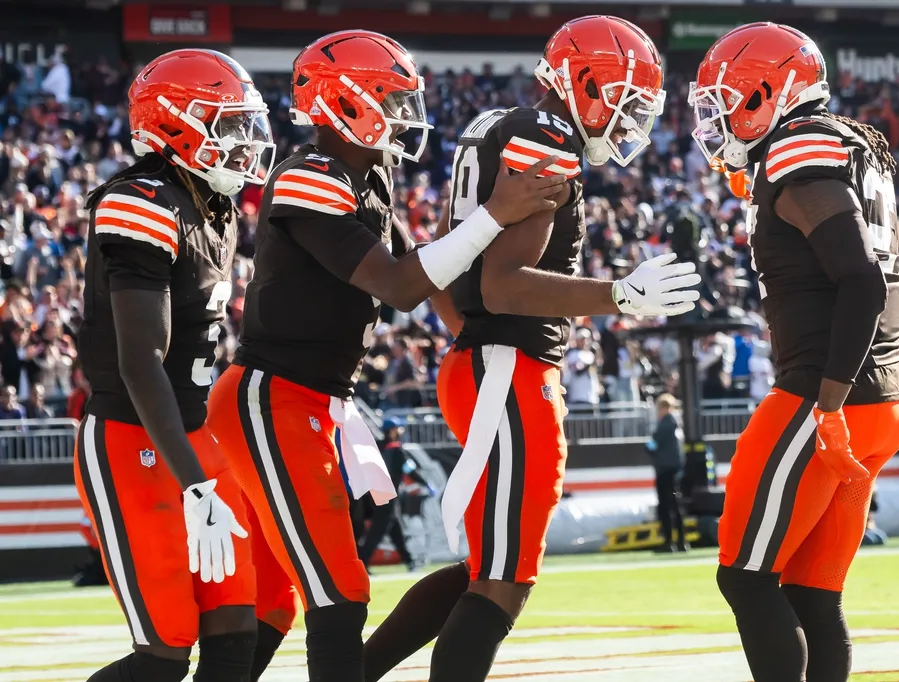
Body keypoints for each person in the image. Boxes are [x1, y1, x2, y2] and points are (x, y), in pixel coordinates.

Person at [204, 30, 567, 682]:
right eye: (392, 96)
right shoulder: (309, 176)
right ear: (347, 101)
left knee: (272, 603)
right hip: (272, 393)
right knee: (339, 594)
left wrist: (480, 344)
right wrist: (493, 214)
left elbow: (424, 286)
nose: (405, 111)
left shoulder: (367, 177)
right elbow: (397, 286)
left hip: (310, 398)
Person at [363, 16, 702, 682]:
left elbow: (452, 260)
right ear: (587, 82)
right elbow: (506, 284)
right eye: (627, 101)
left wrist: (465, 335)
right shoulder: (545, 139)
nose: (632, 121)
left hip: (483, 363)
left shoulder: (498, 125)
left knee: (486, 567)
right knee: (505, 580)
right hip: (508, 372)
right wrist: (622, 297)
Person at [688, 23, 899, 682]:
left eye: (725, 99)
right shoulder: (849, 141)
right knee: (811, 594)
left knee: (745, 578)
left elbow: (860, 278)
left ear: (768, 92)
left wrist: (826, 404)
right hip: (884, 395)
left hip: (828, 394)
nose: (717, 118)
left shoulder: (796, 149)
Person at [73, 49, 275, 682]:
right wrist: (194, 484)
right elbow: (140, 362)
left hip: (193, 432)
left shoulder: (213, 208)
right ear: (178, 124)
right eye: (231, 124)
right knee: (164, 654)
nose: (246, 143)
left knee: (238, 628)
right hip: (134, 437)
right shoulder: (140, 201)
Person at [358, 417, 414, 570]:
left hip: (376, 495)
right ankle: (362, 562)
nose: (400, 432)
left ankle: (410, 561)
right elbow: (410, 471)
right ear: (392, 431)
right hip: (388, 496)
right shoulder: (396, 449)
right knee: (377, 532)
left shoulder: (377, 448)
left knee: (396, 531)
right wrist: (426, 485)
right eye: (398, 429)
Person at [647, 393, 687, 553]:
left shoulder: (665, 425)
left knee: (665, 506)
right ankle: (681, 541)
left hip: (664, 469)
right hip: (674, 469)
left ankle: (669, 541)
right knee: (676, 506)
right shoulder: (676, 424)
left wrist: (649, 447)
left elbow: (652, 445)